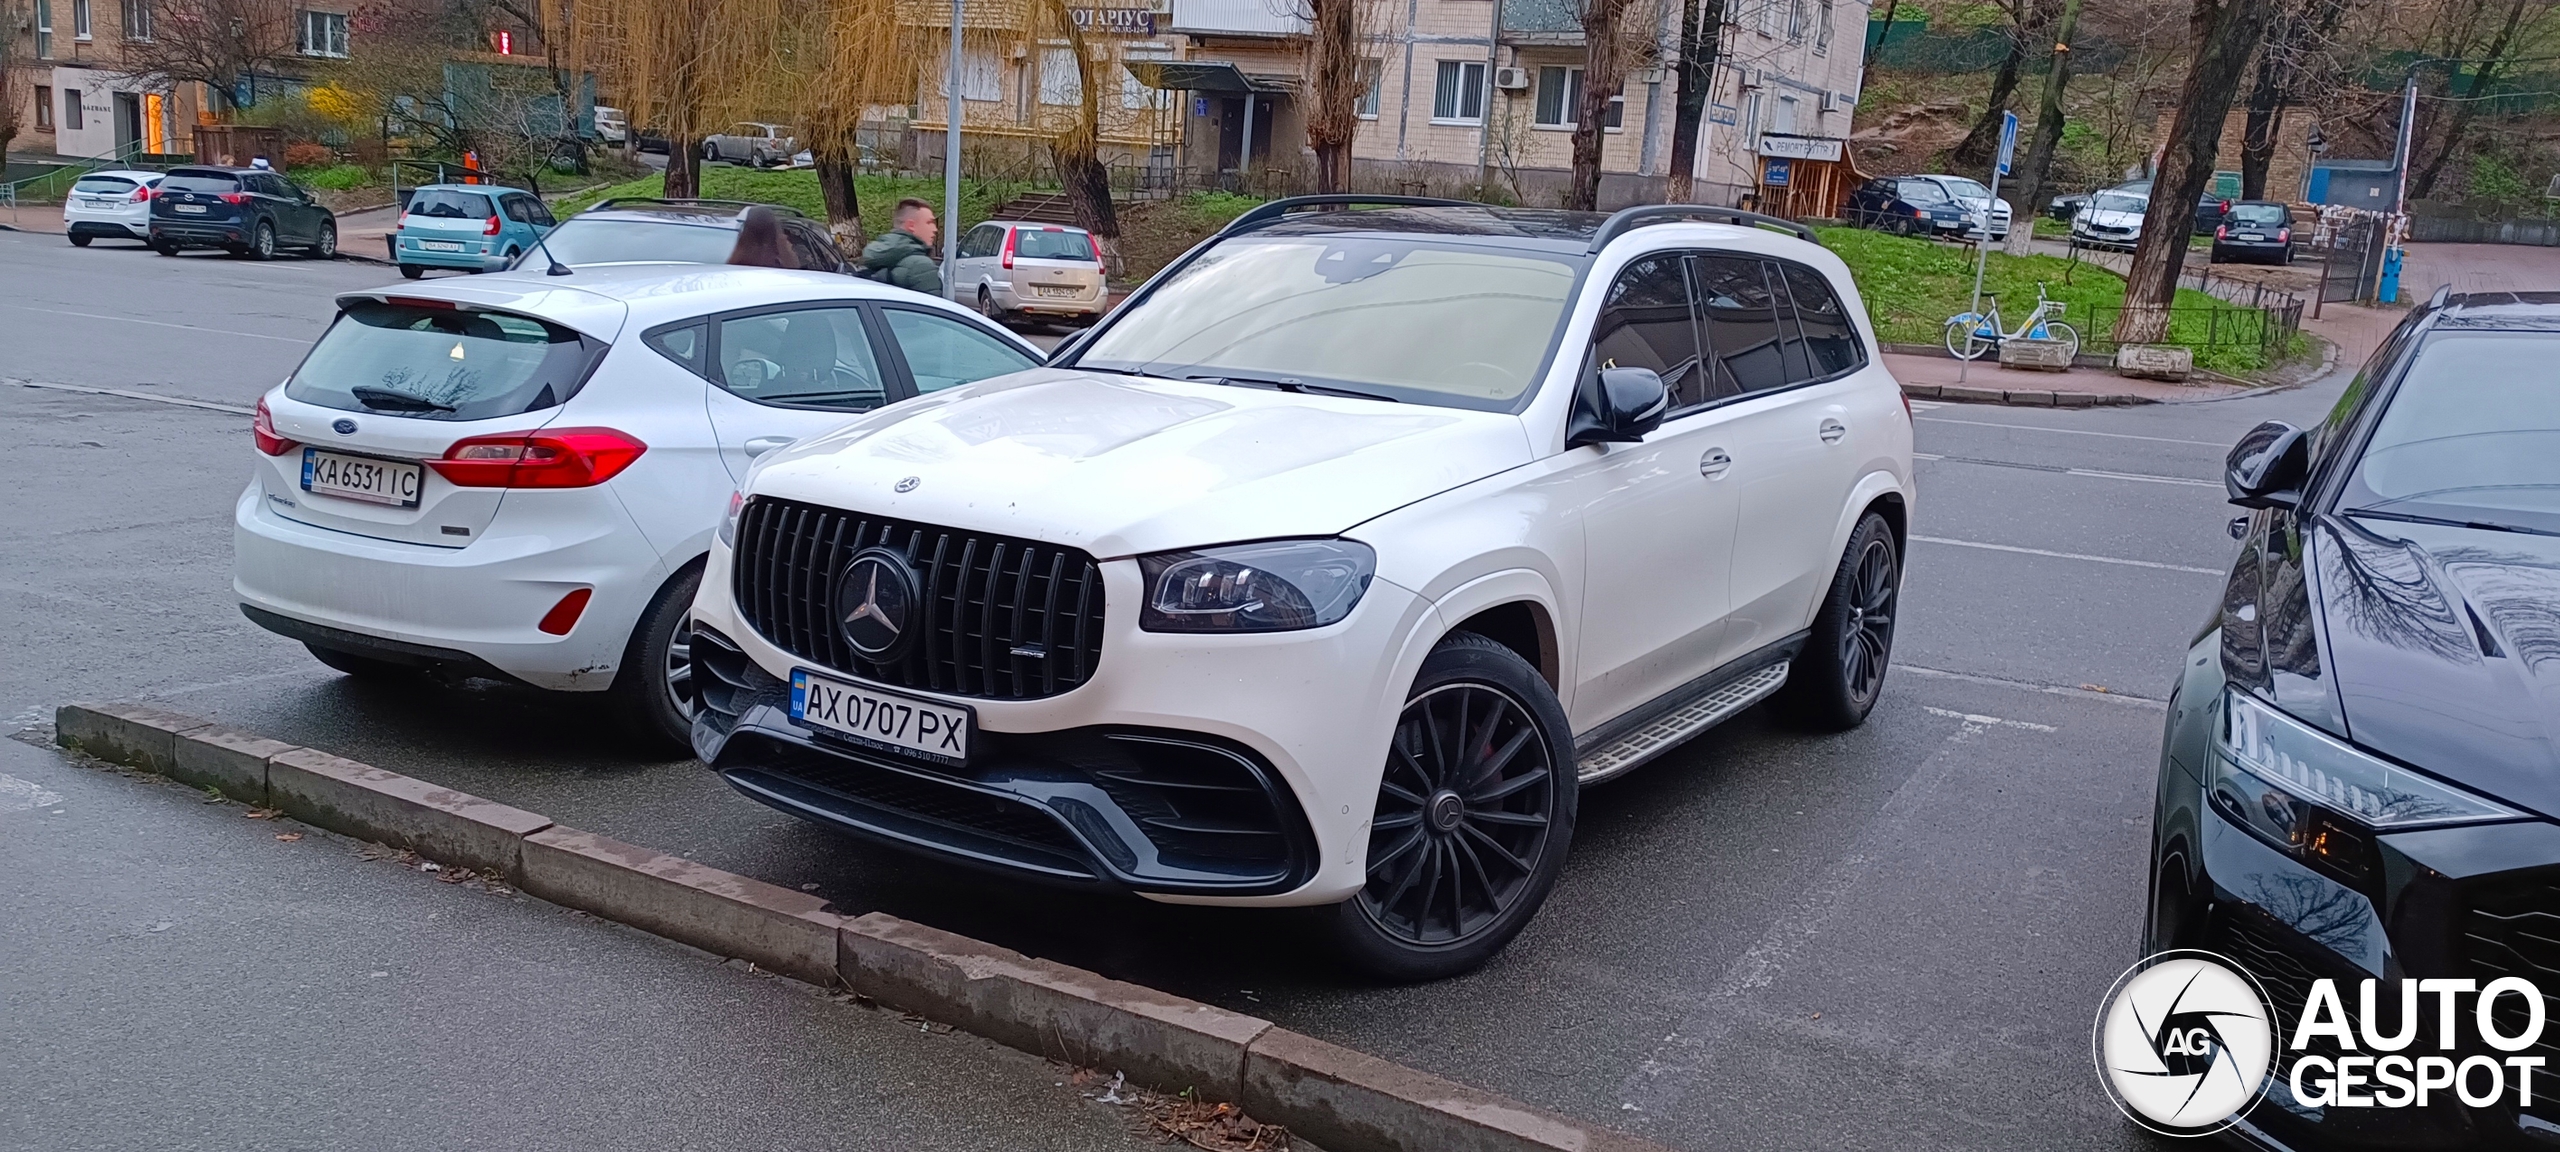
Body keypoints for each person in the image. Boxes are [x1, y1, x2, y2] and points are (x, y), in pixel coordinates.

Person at [860, 198, 942, 295]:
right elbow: (933, 307)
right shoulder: (921, 265)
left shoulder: (876, 256)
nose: (935, 229)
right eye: (929, 222)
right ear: (911, 225)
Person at [726, 205, 795, 268]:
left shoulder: (742, 249)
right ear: (774, 227)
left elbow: (729, 267)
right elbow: (794, 268)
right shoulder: (781, 245)